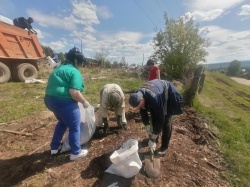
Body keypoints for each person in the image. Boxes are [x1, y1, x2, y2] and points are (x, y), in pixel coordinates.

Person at [44, 47, 90, 161]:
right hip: (64, 103)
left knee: (62, 122)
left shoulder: (58, 69)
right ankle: (76, 152)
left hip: (50, 101)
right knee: (75, 127)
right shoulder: (74, 71)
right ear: (76, 61)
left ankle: (54, 148)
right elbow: (74, 93)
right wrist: (84, 102)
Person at [129, 79, 183, 156]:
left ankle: (164, 147)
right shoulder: (138, 94)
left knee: (166, 121)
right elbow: (143, 111)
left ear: (142, 99)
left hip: (168, 94)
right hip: (158, 95)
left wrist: (154, 135)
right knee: (154, 117)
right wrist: (147, 125)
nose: (140, 107)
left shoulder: (154, 97)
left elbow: (160, 118)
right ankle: (155, 140)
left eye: (140, 105)